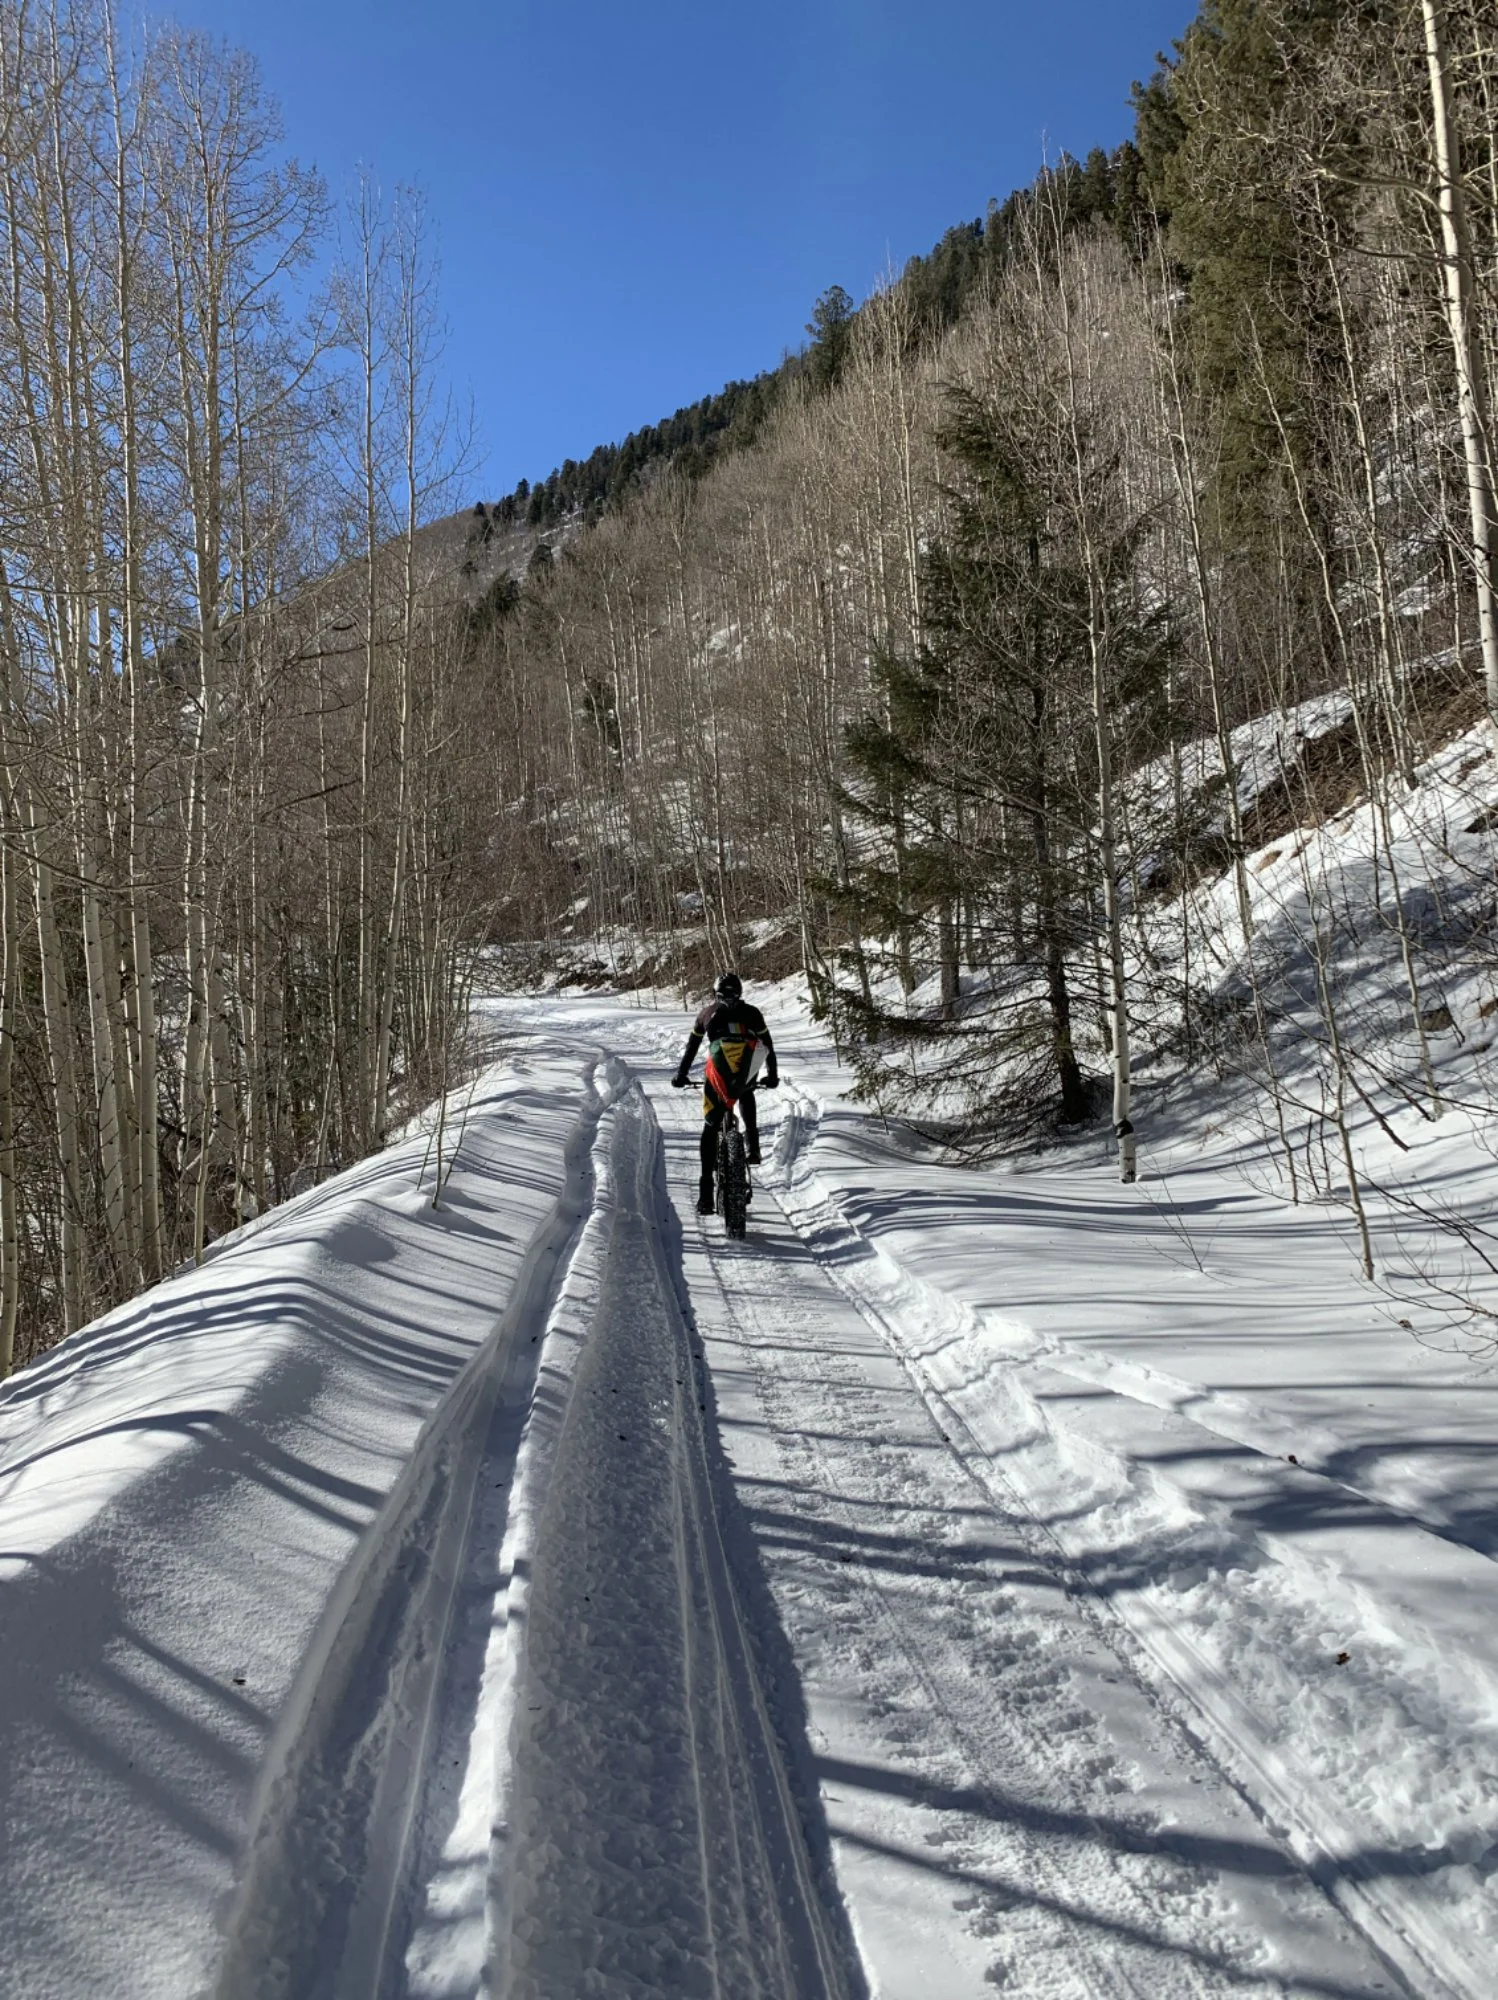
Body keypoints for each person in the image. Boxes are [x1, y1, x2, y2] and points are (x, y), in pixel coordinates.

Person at [671, 971, 778, 1213]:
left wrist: (681, 1075)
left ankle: (706, 1194)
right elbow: (768, 1047)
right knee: (746, 1090)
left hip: (717, 1076)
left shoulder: (707, 1013)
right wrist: (772, 1076)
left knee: (711, 1126)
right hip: (744, 1074)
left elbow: (691, 1048)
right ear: (740, 991)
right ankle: (753, 1145)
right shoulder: (752, 1013)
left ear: (715, 992)